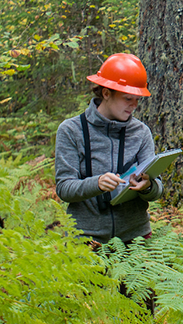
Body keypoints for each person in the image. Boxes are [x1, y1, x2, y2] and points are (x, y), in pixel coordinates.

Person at [54, 52, 163, 244]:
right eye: (128, 99)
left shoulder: (141, 132)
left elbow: (157, 189)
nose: (134, 105)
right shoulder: (71, 130)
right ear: (106, 93)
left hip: (134, 240)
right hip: (86, 240)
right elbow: (64, 188)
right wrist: (96, 184)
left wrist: (147, 186)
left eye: (137, 99)